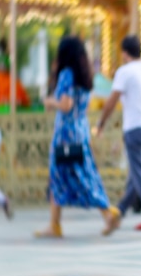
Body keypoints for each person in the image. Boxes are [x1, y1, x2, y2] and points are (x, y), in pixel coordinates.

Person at [35, 36, 121, 238]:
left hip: (66, 133)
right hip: (80, 130)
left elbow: (66, 105)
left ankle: (105, 212)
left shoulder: (66, 74)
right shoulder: (85, 76)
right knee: (84, 172)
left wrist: (49, 102)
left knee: (63, 173)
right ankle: (57, 222)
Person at [94, 35, 141, 231]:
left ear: (124, 53)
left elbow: (111, 101)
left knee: (138, 172)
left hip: (134, 128)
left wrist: (101, 124)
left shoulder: (124, 72)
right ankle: (119, 211)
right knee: (137, 174)